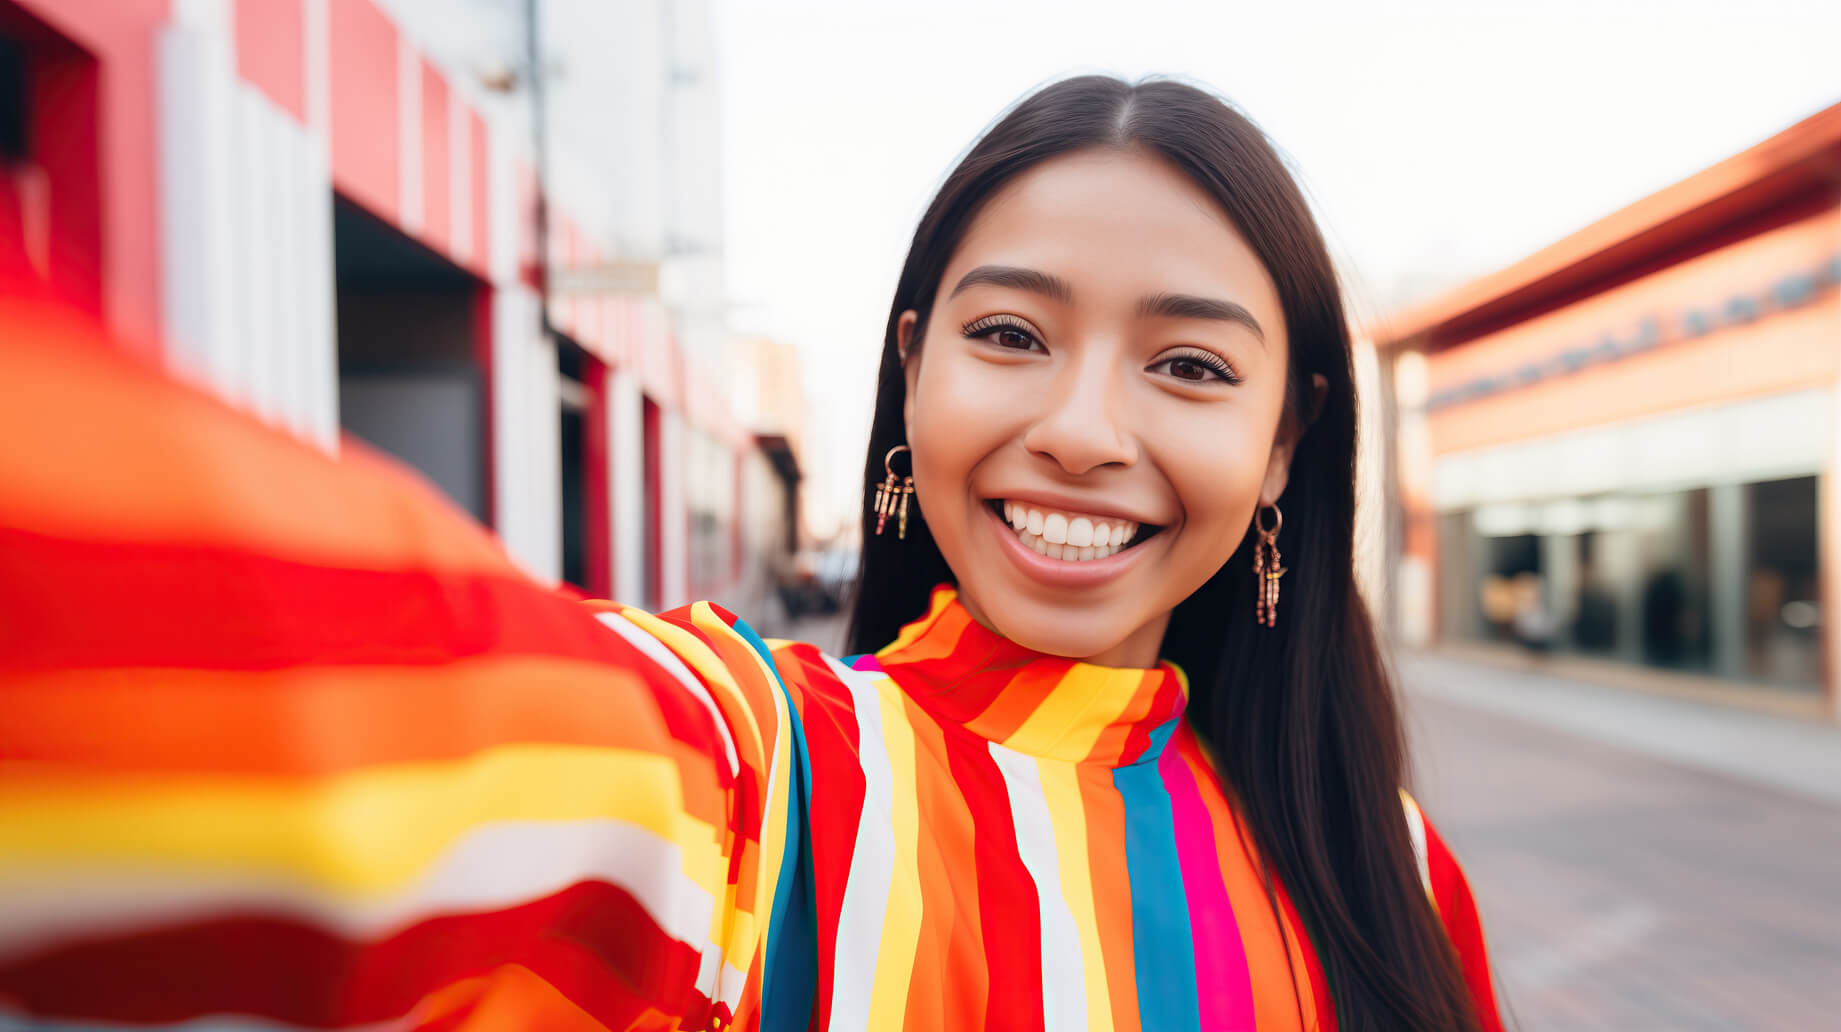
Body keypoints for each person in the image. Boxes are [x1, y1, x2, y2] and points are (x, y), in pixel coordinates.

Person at [0, 76, 1503, 1031]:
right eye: (1007, 337)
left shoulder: (1397, 877)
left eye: (1186, 367)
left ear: (1288, 439)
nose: (1080, 429)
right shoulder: (770, 784)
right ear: (911, 373)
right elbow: (368, 689)